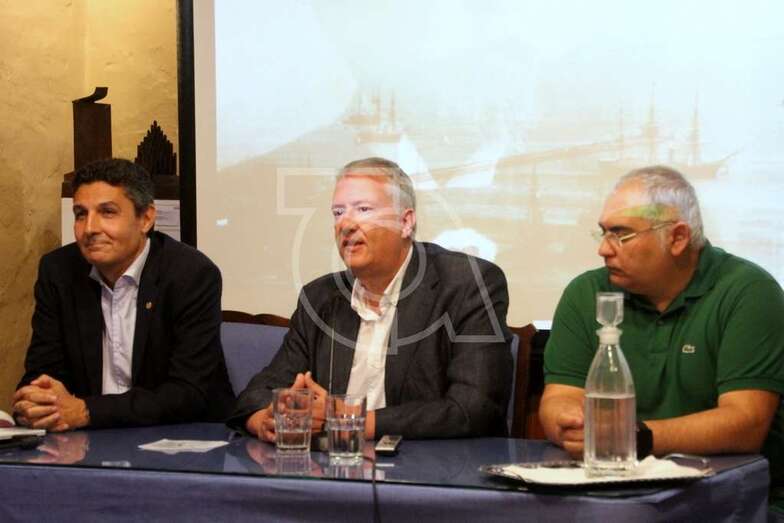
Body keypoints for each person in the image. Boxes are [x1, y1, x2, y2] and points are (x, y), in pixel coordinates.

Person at [540, 165, 784, 509]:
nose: (604, 250)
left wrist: (635, 438)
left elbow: (746, 422)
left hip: (729, 501)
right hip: (608, 496)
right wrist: (569, 422)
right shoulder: (587, 292)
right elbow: (559, 397)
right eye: (603, 233)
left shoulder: (748, 291)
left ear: (678, 238)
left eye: (621, 235)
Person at [229, 157, 512, 440]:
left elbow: (474, 409)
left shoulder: (468, 284)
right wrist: (265, 419)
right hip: (334, 472)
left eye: (363, 209)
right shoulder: (319, 299)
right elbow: (259, 392)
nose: (346, 224)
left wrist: (347, 418)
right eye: (338, 212)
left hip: (432, 470)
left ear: (405, 222)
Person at [13, 158, 234, 430]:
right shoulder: (58, 271)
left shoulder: (191, 274)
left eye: (107, 212)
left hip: (180, 438)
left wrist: (86, 411)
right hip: (82, 441)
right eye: (81, 214)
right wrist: (37, 399)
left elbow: (186, 393)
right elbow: (43, 369)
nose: (90, 228)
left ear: (146, 219)